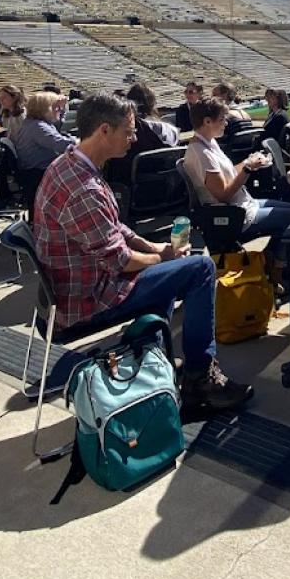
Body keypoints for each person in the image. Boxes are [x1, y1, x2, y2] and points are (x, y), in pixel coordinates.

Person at [32, 92, 254, 412]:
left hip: (78, 286)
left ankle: (153, 360)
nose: (134, 138)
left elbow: (115, 228)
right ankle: (199, 377)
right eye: (129, 131)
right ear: (104, 130)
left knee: (171, 274)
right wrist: (164, 258)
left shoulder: (70, 163)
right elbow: (120, 262)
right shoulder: (82, 188)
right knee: (200, 269)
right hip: (88, 299)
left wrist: (155, 248)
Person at [184, 98, 290, 263]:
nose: (226, 124)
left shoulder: (208, 143)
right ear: (207, 121)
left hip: (244, 205)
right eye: (222, 119)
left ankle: (270, 261)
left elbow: (227, 175)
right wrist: (247, 169)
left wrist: (247, 162)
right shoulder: (201, 153)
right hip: (235, 215)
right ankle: (275, 264)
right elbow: (223, 195)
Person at [10, 91, 77, 171]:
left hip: (36, 167)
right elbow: (63, 145)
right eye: (57, 107)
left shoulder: (32, 122)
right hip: (38, 172)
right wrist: (82, 142)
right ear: (45, 109)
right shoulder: (38, 127)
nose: (60, 109)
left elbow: (57, 125)